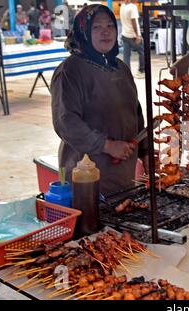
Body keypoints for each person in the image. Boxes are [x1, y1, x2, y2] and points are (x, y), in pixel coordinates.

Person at [51, 4, 148, 195]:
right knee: (91, 221)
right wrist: (107, 145)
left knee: (121, 215)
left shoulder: (120, 67)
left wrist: (144, 150)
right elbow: (66, 121)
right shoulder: (71, 71)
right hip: (85, 175)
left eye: (110, 26)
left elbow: (135, 113)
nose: (106, 32)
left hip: (122, 173)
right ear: (84, 31)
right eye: (96, 27)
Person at [120, 0, 144, 76]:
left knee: (126, 55)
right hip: (133, 35)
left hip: (125, 34)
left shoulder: (122, 6)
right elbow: (133, 21)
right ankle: (142, 70)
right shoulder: (133, 7)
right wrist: (137, 35)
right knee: (142, 52)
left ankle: (127, 73)